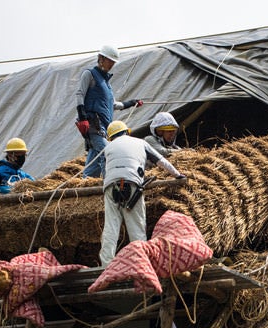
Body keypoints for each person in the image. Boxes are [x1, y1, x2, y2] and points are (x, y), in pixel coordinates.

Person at [99, 120, 186, 266]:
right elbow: (161, 161)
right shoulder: (140, 142)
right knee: (136, 225)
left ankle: (106, 264)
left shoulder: (107, 147)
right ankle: (141, 262)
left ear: (111, 137)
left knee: (111, 226)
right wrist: (178, 175)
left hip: (110, 186)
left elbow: (104, 170)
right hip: (132, 183)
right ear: (127, 131)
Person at [75, 45, 143, 178]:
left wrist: (131, 103)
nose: (111, 64)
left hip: (104, 127)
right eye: (109, 60)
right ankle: (109, 182)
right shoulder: (89, 74)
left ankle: (85, 183)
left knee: (95, 160)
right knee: (109, 152)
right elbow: (79, 94)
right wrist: (82, 117)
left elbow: (113, 105)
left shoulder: (107, 84)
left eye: (113, 62)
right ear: (101, 58)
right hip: (93, 124)